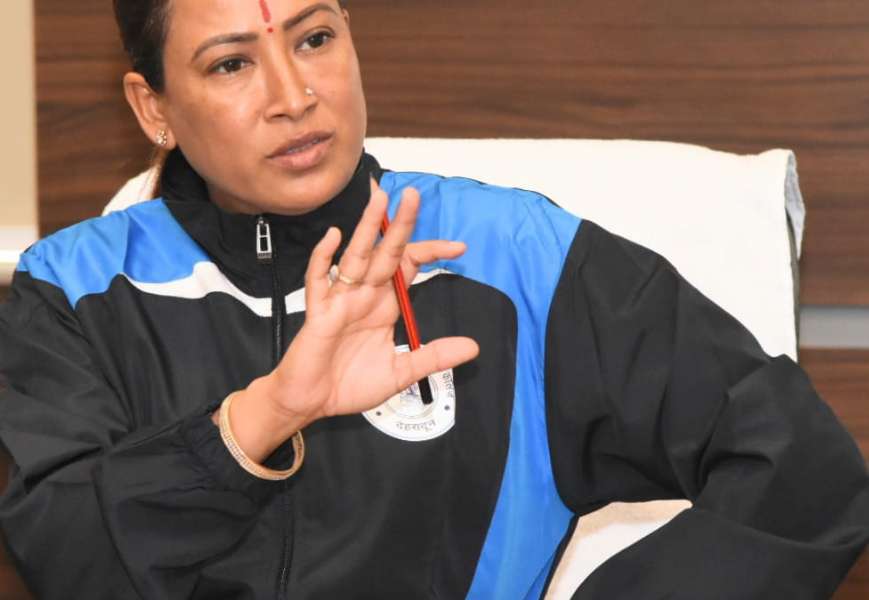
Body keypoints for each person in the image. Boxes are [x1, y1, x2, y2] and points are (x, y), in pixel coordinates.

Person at [0, 0, 866, 598]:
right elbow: (67, 562)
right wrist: (264, 415)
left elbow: (802, 470)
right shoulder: (70, 290)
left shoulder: (517, 255)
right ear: (152, 107)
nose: (295, 97)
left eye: (314, 39)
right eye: (231, 63)